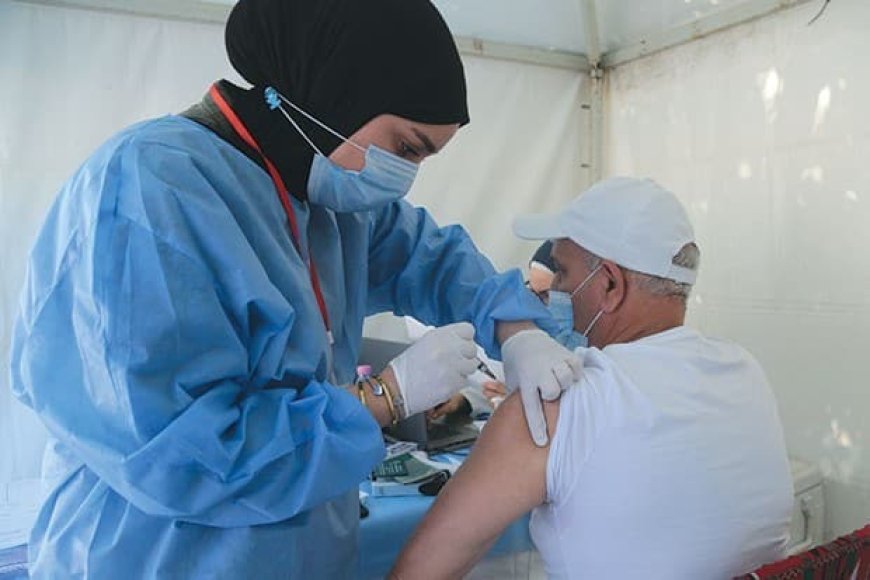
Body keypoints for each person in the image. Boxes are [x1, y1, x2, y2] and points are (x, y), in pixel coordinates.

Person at [7, 1, 581, 577]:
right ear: (336, 92)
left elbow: (430, 258)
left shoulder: (331, 202)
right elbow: (183, 456)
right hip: (154, 557)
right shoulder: (149, 192)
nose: (405, 174)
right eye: (406, 148)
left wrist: (518, 330)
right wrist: (386, 397)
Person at [391, 177, 794, 579]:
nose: (553, 292)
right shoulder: (744, 369)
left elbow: (420, 572)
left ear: (610, 285)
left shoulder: (558, 402)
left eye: (562, 273)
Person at [427, 241, 554, 420]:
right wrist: (464, 401)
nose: (535, 304)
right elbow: (498, 387)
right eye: (531, 291)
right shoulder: (530, 335)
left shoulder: (592, 351)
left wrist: (520, 404)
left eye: (547, 295)